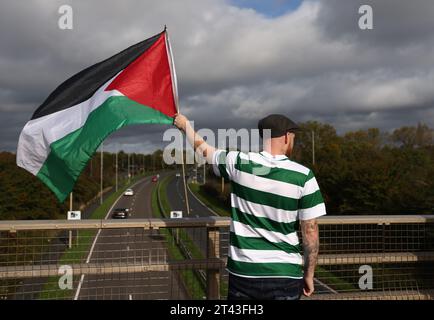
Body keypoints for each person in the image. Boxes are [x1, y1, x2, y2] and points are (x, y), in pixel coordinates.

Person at [173, 113, 326, 300]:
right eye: (293, 137)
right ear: (286, 137)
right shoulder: (304, 176)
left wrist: (185, 126)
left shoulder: (239, 163)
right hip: (285, 273)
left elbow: (204, 151)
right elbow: (310, 233)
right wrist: (309, 275)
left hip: (244, 272)